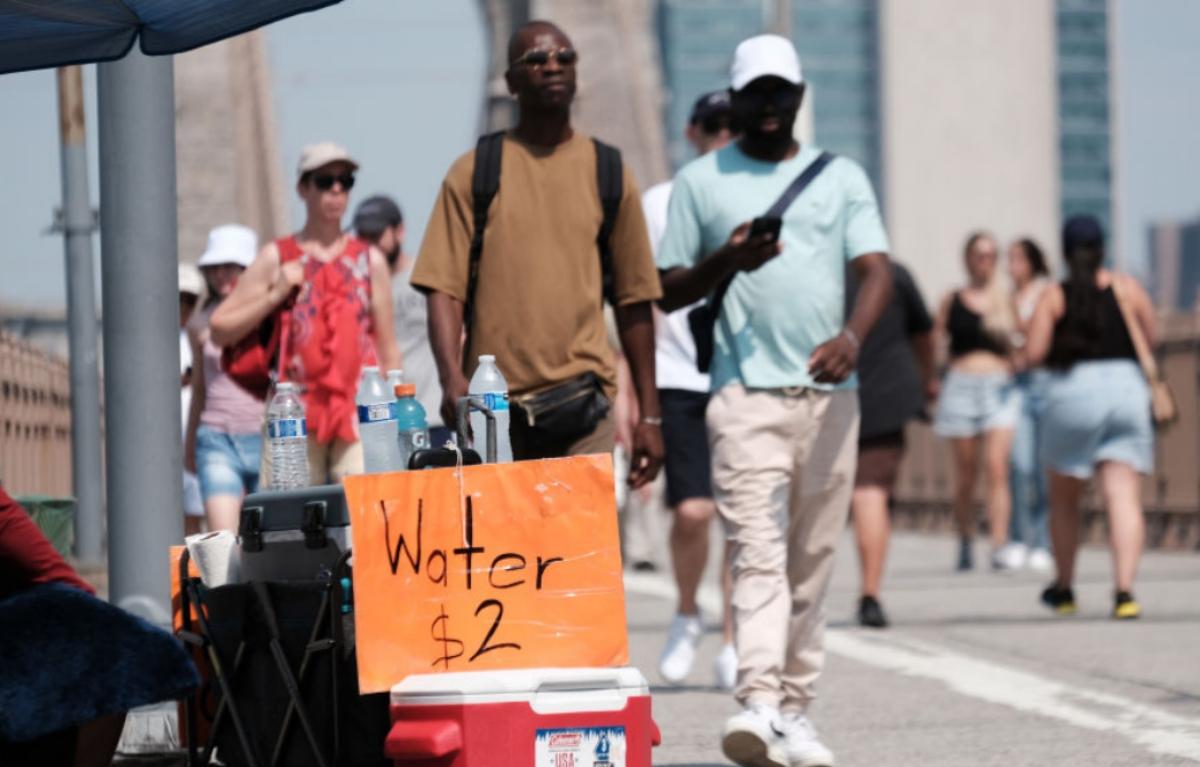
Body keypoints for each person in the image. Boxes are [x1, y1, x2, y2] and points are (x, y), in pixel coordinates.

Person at [657, 35, 892, 767]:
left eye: (779, 93)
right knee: (757, 551)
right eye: (754, 94)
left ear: (798, 95)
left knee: (813, 559)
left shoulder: (840, 176)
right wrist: (728, 256)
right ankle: (759, 700)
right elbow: (665, 289)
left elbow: (877, 268)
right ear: (734, 101)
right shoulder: (701, 181)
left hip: (831, 397)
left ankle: (795, 710)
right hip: (741, 396)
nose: (768, 107)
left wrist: (853, 336)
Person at [413, 20, 663, 485]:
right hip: (494, 412)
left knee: (581, 554)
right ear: (510, 81)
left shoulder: (608, 172)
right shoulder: (475, 173)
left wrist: (650, 416)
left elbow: (635, 299)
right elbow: (442, 288)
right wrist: (451, 379)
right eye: (536, 60)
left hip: (584, 406)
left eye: (564, 58)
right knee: (506, 553)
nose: (552, 67)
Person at [210, 142, 401, 484]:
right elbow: (220, 328)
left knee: (363, 516)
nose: (337, 189)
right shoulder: (277, 256)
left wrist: (395, 415)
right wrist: (277, 292)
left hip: (357, 414)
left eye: (346, 180)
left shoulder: (369, 261)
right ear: (302, 188)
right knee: (290, 521)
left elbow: (388, 349)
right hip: (292, 415)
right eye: (325, 180)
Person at [642, 90, 738, 690]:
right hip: (677, 375)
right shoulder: (657, 203)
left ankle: (733, 637)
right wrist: (635, 388)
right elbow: (637, 296)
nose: (722, 136)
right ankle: (686, 610)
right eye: (712, 126)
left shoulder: (751, 198)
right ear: (692, 132)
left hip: (739, 375)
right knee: (693, 510)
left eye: (733, 126)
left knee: (739, 514)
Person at [1024, 215, 1155, 620]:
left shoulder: (1053, 295)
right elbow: (1149, 337)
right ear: (1103, 248)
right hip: (1127, 392)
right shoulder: (1126, 288)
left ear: (1064, 252)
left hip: (1071, 394)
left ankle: (1064, 589)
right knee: (1122, 496)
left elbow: (1034, 353)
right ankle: (1124, 592)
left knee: (1065, 501)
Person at [847, 261, 935, 628]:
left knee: (828, 496)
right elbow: (925, 335)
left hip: (819, 394)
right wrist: (927, 380)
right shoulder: (895, 273)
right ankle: (870, 593)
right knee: (871, 493)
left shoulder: (815, 269)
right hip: (885, 395)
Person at [932, 232, 1018, 572]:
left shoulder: (1005, 300)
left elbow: (1023, 341)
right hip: (961, 386)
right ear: (967, 258)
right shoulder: (951, 299)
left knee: (997, 468)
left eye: (991, 256)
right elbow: (938, 342)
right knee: (966, 473)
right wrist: (933, 380)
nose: (986, 262)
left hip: (998, 387)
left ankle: (999, 543)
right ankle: (965, 536)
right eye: (980, 255)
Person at [353, 195, 452, 448]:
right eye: (363, 237)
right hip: (386, 423)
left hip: (434, 414)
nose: (370, 246)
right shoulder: (356, 290)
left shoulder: (427, 278)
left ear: (400, 231)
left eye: (376, 236)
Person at [185, 225, 264, 532]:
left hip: (266, 439)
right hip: (216, 440)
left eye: (232, 266)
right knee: (224, 545)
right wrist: (190, 443)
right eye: (214, 267)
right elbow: (200, 390)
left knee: (268, 542)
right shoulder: (200, 323)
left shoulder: (271, 316)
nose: (222, 274)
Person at [1002, 237, 1053, 571]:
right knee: (1019, 465)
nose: (1012, 265)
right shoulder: (1005, 298)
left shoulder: (1047, 292)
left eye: (1018, 258)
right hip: (1015, 385)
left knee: (1044, 467)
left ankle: (1043, 541)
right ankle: (1018, 537)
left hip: (1046, 382)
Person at [178, 263, 205, 535]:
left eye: (189, 300)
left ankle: (192, 572)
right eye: (178, 299)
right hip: (166, 438)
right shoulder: (156, 339)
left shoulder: (198, 334)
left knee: (194, 510)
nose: (183, 306)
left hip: (193, 432)